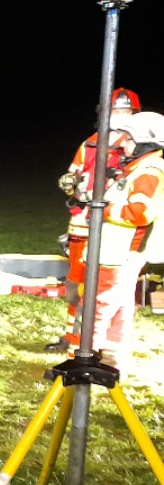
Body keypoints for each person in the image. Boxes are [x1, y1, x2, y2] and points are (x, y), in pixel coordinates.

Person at [46, 87, 140, 352]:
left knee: (102, 290)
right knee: (75, 285)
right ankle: (71, 337)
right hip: (82, 224)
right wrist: (72, 184)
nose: (120, 116)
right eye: (115, 111)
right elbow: (73, 175)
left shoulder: (135, 147)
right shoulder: (90, 143)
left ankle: (99, 343)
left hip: (113, 227)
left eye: (125, 111)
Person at [81, 109, 164, 368]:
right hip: (123, 252)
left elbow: (139, 213)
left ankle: (87, 355)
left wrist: (101, 208)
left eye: (128, 138)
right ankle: (111, 355)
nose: (124, 143)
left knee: (99, 304)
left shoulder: (149, 171)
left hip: (119, 252)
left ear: (145, 141)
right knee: (120, 305)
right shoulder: (141, 168)